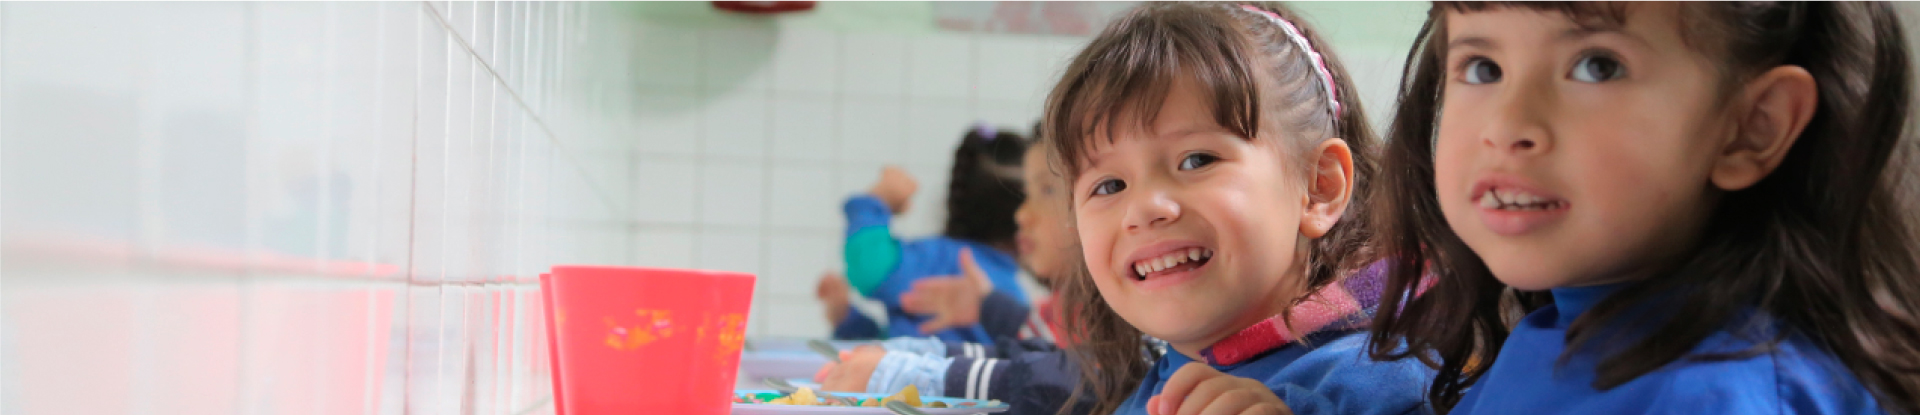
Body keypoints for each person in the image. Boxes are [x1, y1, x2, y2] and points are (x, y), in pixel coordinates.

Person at [1364, 2, 1920, 415]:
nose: (1507, 126)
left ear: (1752, 128)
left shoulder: (1716, 397)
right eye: (1484, 68)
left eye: (1598, 66)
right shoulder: (1568, 325)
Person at [1043, 3, 1432, 415]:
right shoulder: (1144, 390)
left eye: (1197, 160)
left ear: (1320, 187)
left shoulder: (1384, 385)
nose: (1143, 209)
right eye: (1110, 186)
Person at [821, 126, 1033, 344]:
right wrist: (850, 322)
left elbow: (871, 269)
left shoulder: (941, 260)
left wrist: (876, 202)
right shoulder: (1012, 300)